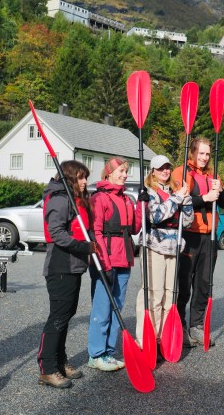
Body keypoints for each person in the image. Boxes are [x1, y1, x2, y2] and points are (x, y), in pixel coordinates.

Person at [36, 160, 98, 389]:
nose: (84, 182)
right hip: (59, 267)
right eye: (80, 177)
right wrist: (85, 247)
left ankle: (60, 362)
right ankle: (47, 368)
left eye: (86, 177)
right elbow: (56, 233)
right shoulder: (60, 200)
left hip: (73, 267)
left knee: (67, 314)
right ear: (70, 178)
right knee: (58, 316)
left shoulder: (76, 199)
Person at [171, 137, 224, 347]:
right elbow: (179, 200)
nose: (204, 158)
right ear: (192, 152)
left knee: (203, 284)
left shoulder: (213, 176)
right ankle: (178, 324)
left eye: (207, 154)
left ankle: (196, 325)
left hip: (210, 236)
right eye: (201, 153)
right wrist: (204, 198)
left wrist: (220, 190)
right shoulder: (181, 173)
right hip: (189, 233)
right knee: (184, 283)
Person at [87, 157, 143, 371]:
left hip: (124, 258)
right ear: (108, 173)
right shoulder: (99, 199)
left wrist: (141, 206)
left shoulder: (128, 199)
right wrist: (104, 262)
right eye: (121, 170)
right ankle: (96, 354)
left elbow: (135, 228)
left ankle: (109, 351)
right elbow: (96, 232)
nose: (125, 174)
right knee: (102, 308)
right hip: (106, 260)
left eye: (126, 171)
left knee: (116, 307)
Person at [135, 155, 192, 350]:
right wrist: (177, 199)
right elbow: (155, 216)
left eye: (167, 168)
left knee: (170, 297)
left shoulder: (174, 191)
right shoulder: (148, 192)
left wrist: (187, 200)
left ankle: (164, 339)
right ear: (153, 171)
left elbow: (187, 222)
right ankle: (147, 340)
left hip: (173, 248)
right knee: (154, 295)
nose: (165, 171)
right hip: (154, 247)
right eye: (161, 169)